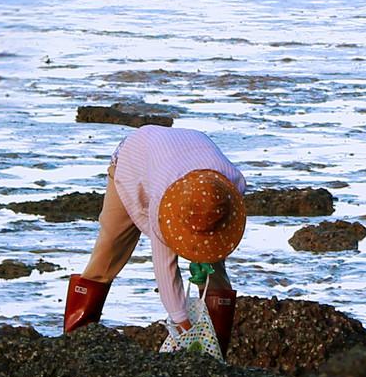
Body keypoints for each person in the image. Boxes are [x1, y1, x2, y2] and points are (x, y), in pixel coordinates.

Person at [63, 124, 247, 356]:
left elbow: (216, 226)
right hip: (135, 162)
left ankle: (215, 352)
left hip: (186, 156)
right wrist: (184, 328)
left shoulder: (232, 184)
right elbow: (165, 269)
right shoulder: (162, 201)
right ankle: (73, 343)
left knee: (214, 269)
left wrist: (204, 257)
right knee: (109, 251)